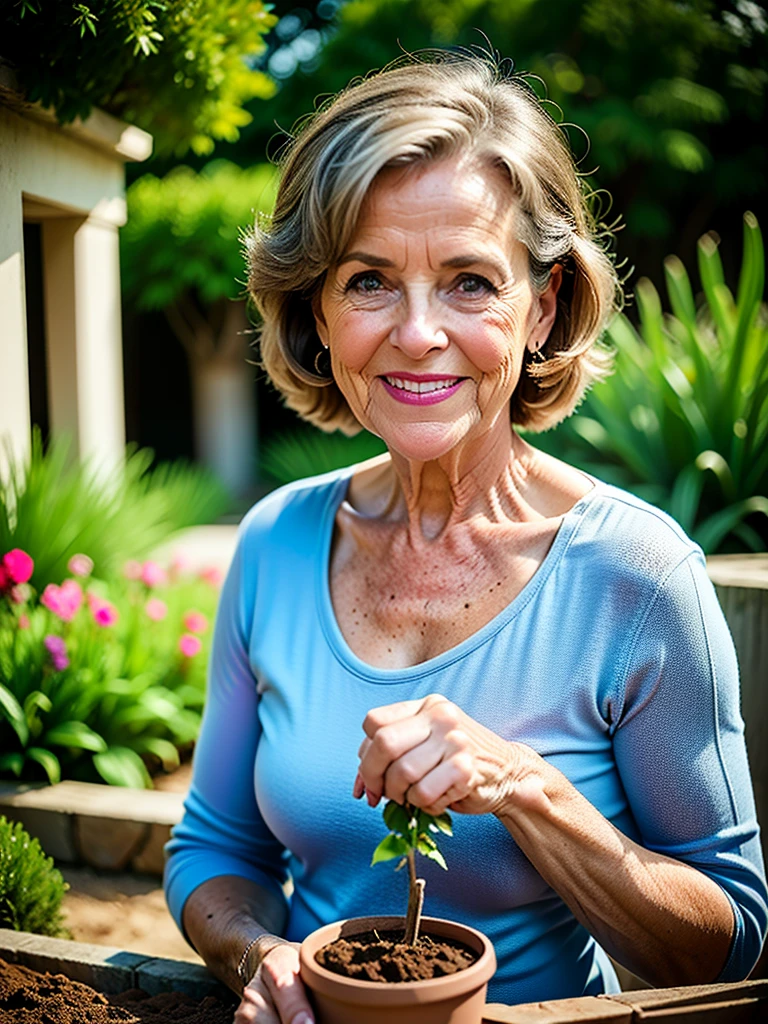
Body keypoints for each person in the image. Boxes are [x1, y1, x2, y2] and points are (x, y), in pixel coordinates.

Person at [164, 51, 768, 1024]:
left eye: (469, 282)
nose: (414, 333)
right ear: (316, 307)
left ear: (547, 304)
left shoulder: (640, 576)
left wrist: (526, 786)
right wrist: (258, 957)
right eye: (368, 280)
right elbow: (215, 851)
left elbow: (731, 935)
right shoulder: (275, 544)